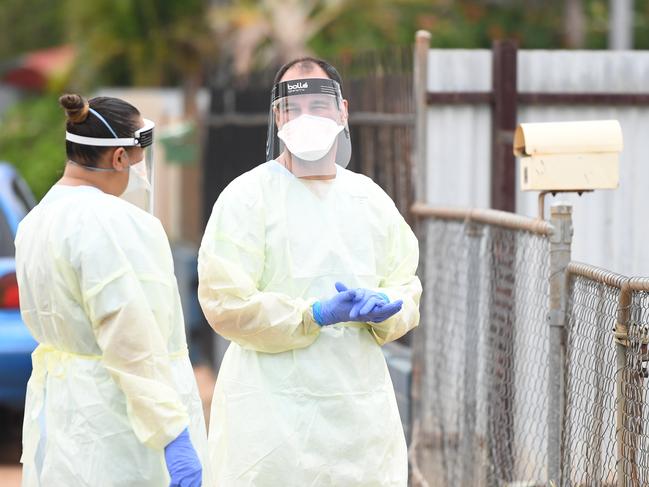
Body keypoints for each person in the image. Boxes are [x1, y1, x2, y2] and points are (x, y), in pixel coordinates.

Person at [198, 57, 422, 486]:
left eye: (318, 105)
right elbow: (224, 304)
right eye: (293, 107)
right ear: (277, 116)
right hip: (269, 422)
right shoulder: (246, 198)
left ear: (343, 111)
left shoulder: (369, 200)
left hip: (357, 421)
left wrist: (389, 311)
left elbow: (405, 285)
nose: (305, 117)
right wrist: (312, 315)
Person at [15, 94, 207, 487]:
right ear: (120, 158)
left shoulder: (36, 221)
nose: (141, 169)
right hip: (121, 428)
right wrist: (172, 433)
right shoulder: (113, 222)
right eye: (139, 156)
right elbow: (131, 336)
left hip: (67, 415)